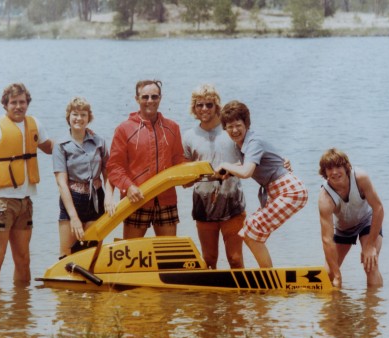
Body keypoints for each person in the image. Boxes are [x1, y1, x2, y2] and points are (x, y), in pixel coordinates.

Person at [0, 83, 53, 286]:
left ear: (28, 103)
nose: (18, 106)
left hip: (25, 203)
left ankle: (21, 311)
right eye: (13, 102)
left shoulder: (34, 124)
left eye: (22, 102)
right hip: (0, 203)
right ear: (5, 105)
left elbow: (51, 148)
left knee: (24, 260)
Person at [215, 100, 308, 268]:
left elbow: (246, 172)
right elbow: (244, 166)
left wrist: (224, 165)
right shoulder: (241, 144)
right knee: (248, 232)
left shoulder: (253, 142)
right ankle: (267, 274)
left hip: (290, 190)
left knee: (252, 229)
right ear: (225, 128)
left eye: (238, 125)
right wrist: (227, 172)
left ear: (246, 124)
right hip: (278, 190)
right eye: (230, 127)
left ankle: (268, 277)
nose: (235, 130)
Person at [107, 79, 186, 239]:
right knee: (132, 254)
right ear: (137, 99)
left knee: (168, 255)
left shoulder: (173, 128)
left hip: (166, 200)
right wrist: (128, 187)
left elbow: (179, 162)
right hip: (136, 199)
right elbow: (114, 167)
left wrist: (196, 172)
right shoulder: (124, 129)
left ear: (160, 98)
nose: (150, 101)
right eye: (145, 97)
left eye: (154, 97)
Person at [182, 84, 245, 269]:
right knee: (208, 260)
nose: (204, 109)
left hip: (232, 202)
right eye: (199, 105)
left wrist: (229, 170)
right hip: (203, 203)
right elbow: (184, 177)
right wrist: (188, 179)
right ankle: (211, 299)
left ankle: (241, 299)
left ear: (217, 106)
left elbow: (251, 161)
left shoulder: (232, 130)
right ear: (194, 108)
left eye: (209, 105)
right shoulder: (188, 136)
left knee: (235, 259)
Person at [52, 97, 115, 259]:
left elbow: (108, 173)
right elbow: (61, 183)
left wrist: (109, 196)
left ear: (89, 118)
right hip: (72, 199)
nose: (79, 118)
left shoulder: (99, 142)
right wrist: (73, 217)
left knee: (92, 255)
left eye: (83, 115)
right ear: (69, 117)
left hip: (96, 199)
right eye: (75, 114)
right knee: (66, 255)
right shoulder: (61, 145)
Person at [318, 148, 383, 288]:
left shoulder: (360, 178)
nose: (334, 172)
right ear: (324, 173)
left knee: (370, 265)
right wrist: (336, 275)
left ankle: (373, 307)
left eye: (338, 166)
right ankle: (336, 306)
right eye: (329, 169)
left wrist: (370, 245)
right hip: (343, 229)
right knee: (328, 274)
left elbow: (378, 208)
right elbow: (327, 239)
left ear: (346, 167)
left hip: (367, 222)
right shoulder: (325, 198)